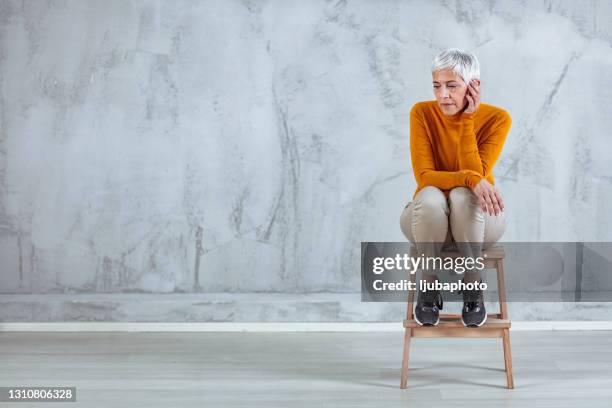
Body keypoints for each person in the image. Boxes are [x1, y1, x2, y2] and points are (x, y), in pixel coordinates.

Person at [399, 48, 511, 327]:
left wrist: (467, 120)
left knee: (463, 197)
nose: (442, 95)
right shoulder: (421, 113)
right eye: (437, 86)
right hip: (428, 219)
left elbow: (477, 175)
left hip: (479, 219)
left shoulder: (497, 119)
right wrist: (471, 180)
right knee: (431, 195)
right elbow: (425, 177)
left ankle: (473, 286)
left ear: (473, 87)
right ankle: (428, 285)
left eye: (452, 86)